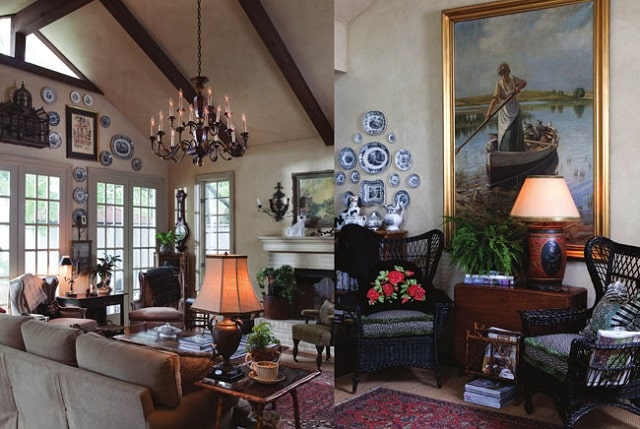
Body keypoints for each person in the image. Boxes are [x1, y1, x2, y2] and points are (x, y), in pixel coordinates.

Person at [485, 63, 527, 152]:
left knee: (516, 133)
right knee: (507, 134)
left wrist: (518, 88)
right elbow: (494, 99)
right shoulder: (499, 84)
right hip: (505, 112)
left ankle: (518, 152)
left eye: (505, 73)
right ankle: (505, 152)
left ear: (508, 72)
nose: (504, 76)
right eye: (501, 74)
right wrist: (489, 112)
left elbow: (524, 83)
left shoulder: (513, 79)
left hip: (515, 109)